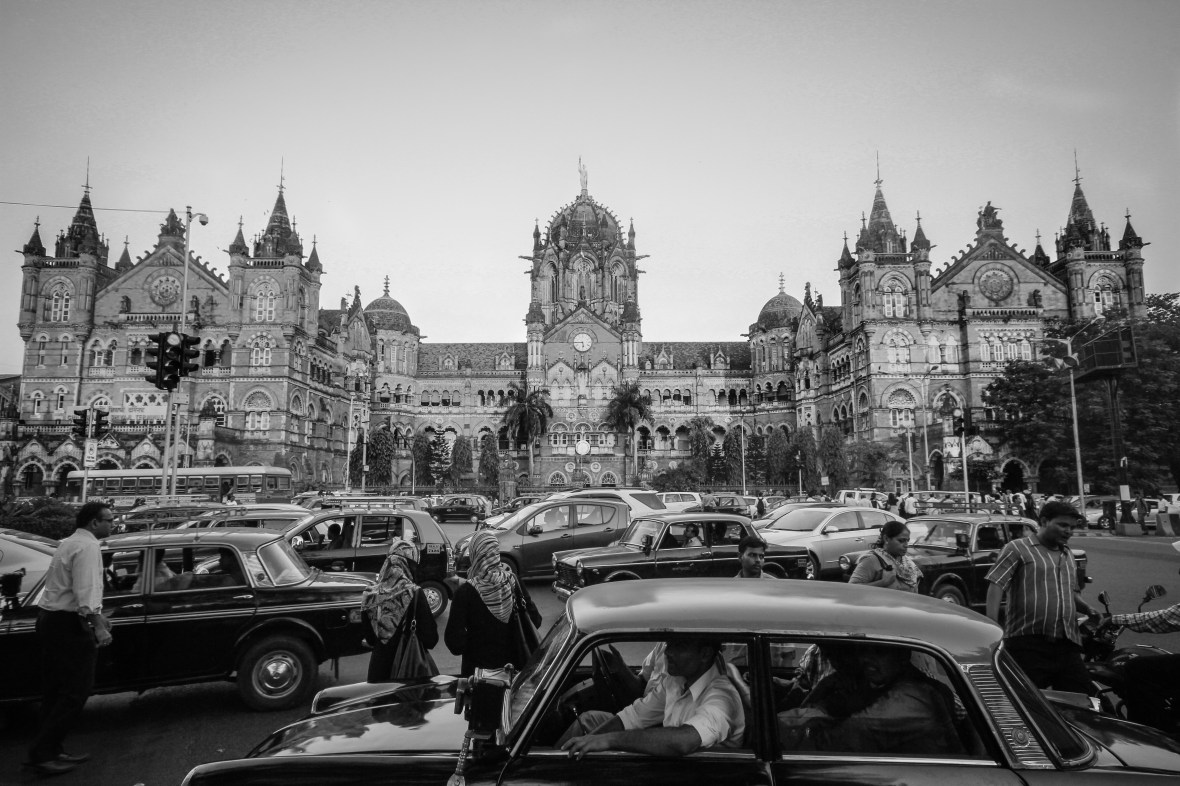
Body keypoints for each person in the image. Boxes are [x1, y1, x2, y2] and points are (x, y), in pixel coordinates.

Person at [26, 502, 114, 776]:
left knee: (56, 690)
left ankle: (51, 749)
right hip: (67, 624)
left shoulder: (69, 542)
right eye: (108, 520)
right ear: (93, 523)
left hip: (51, 619)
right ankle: (42, 753)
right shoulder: (87, 547)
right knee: (76, 691)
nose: (113, 524)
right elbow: (85, 593)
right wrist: (98, 626)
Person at [560, 638, 744, 758]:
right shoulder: (675, 681)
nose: (668, 652)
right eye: (669, 644)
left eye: (679, 645)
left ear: (704, 654)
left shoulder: (722, 698)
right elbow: (632, 717)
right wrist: (589, 741)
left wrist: (609, 740)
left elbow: (683, 741)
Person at [985, 500, 1100, 693]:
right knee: (1025, 702)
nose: (1068, 531)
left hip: (1066, 643)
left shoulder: (1067, 554)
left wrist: (1087, 608)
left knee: (1084, 700)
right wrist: (991, 628)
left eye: (1072, 527)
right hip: (1027, 643)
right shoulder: (1017, 548)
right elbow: (996, 585)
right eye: (1063, 525)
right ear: (1044, 521)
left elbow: (1070, 593)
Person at [777, 643, 963, 755]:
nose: (867, 658)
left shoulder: (914, 697)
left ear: (902, 657)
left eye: (879, 652)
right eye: (864, 651)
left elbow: (846, 736)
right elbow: (827, 708)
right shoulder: (861, 683)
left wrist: (780, 732)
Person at [445, 531, 540, 676]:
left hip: (480, 678)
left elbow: (455, 644)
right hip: (515, 675)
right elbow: (536, 620)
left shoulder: (465, 592)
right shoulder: (514, 582)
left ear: (474, 555)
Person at [362, 538, 438, 682]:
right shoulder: (414, 593)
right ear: (408, 565)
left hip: (378, 673)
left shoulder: (369, 595)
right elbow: (431, 640)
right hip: (407, 672)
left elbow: (371, 639)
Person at [849, 521, 922, 592]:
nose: (906, 545)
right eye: (901, 541)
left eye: (907, 541)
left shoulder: (907, 562)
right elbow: (852, 589)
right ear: (886, 539)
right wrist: (883, 582)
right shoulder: (871, 560)